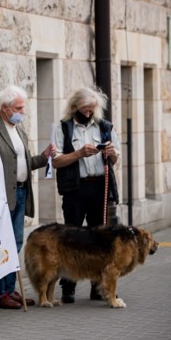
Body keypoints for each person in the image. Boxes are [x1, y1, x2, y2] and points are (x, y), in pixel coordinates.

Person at [0, 85, 54, 309]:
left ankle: (9, 289)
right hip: (0, 196)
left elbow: (25, 163)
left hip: (21, 192)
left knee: (15, 242)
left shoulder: (19, 130)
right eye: (19, 108)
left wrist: (44, 157)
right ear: (5, 108)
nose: (23, 112)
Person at [52, 87, 120, 303]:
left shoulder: (104, 127)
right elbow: (55, 161)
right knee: (71, 235)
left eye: (92, 110)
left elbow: (116, 158)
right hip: (75, 188)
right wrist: (79, 153)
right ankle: (68, 286)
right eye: (85, 110)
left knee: (99, 236)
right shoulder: (62, 128)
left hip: (99, 185)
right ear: (75, 107)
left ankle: (97, 285)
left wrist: (111, 153)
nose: (89, 113)